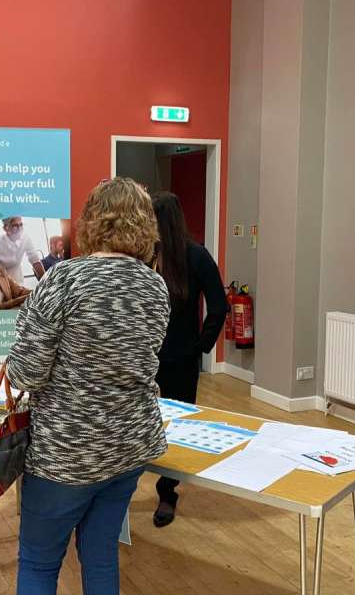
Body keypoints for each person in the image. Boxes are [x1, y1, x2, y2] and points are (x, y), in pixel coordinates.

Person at [7, 177, 170, 595]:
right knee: (100, 557)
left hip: (66, 453)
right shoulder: (155, 285)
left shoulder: (65, 280)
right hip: (129, 447)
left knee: (40, 564)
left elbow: (25, 374)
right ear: (144, 225)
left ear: (92, 221)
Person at [149, 191, 228, 528]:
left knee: (178, 428)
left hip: (181, 359)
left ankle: (168, 491)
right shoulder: (144, 258)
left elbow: (219, 305)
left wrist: (200, 347)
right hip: (145, 358)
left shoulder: (196, 256)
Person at [0, 216, 45, 282]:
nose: (19, 229)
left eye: (21, 225)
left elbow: (35, 260)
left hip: (18, 281)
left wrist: (46, 281)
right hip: (0, 281)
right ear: (6, 228)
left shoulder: (25, 239)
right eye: (15, 226)